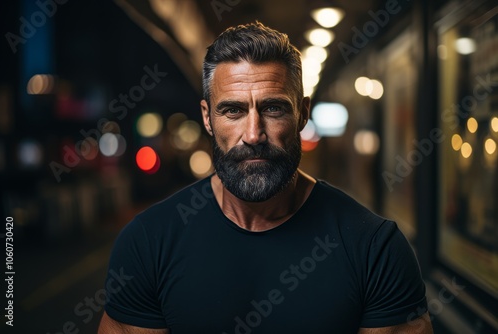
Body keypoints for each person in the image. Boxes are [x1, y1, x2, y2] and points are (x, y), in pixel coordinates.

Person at [98, 22, 433, 334]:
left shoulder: (376, 250)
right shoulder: (148, 243)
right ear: (207, 117)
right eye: (233, 110)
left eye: (273, 108)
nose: (254, 134)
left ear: (302, 113)